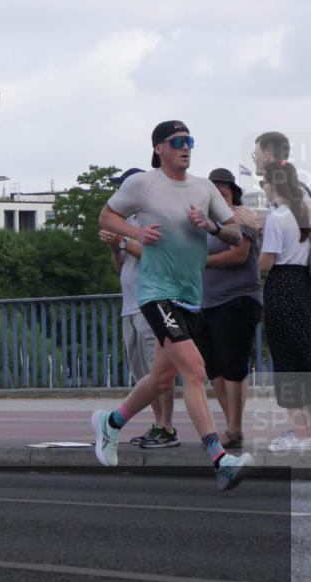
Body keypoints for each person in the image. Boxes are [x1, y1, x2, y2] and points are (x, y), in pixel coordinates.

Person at [93, 120, 255, 492]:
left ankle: (111, 423)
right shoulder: (143, 184)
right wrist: (137, 233)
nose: (186, 147)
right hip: (155, 292)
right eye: (177, 142)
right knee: (195, 372)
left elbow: (235, 234)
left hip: (190, 296)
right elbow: (107, 216)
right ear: (159, 149)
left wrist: (211, 226)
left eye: (190, 141)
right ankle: (219, 459)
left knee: (162, 377)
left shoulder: (204, 188)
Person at [100, 168, 177, 448]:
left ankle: (167, 426)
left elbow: (153, 256)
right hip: (130, 305)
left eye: (122, 188)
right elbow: (122, 267)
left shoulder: (156, 219)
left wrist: (121, 240)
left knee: (158, 370)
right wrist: (114, 247)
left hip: (152, 304)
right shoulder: (128, 221)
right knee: (141, 372)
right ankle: (158, 425)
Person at [195, 169, 262, 449]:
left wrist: (202, 261)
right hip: (205, 303)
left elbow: (238, 255)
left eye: (224, 188)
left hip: (236, 299)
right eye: (214, 188)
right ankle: (232, 426)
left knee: (233, 364)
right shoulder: (204, 223)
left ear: (232, 193)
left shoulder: (239, 217)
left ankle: (235, 428)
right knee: (215, 369)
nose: (219, 192)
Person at [258, 160, 311, 453]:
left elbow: (266, 263)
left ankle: (301, 433)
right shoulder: (304, 210)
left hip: (281, 285)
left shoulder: (277, 217)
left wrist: (259, 240)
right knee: (304, 351)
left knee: (287, 357)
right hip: (303, 282)